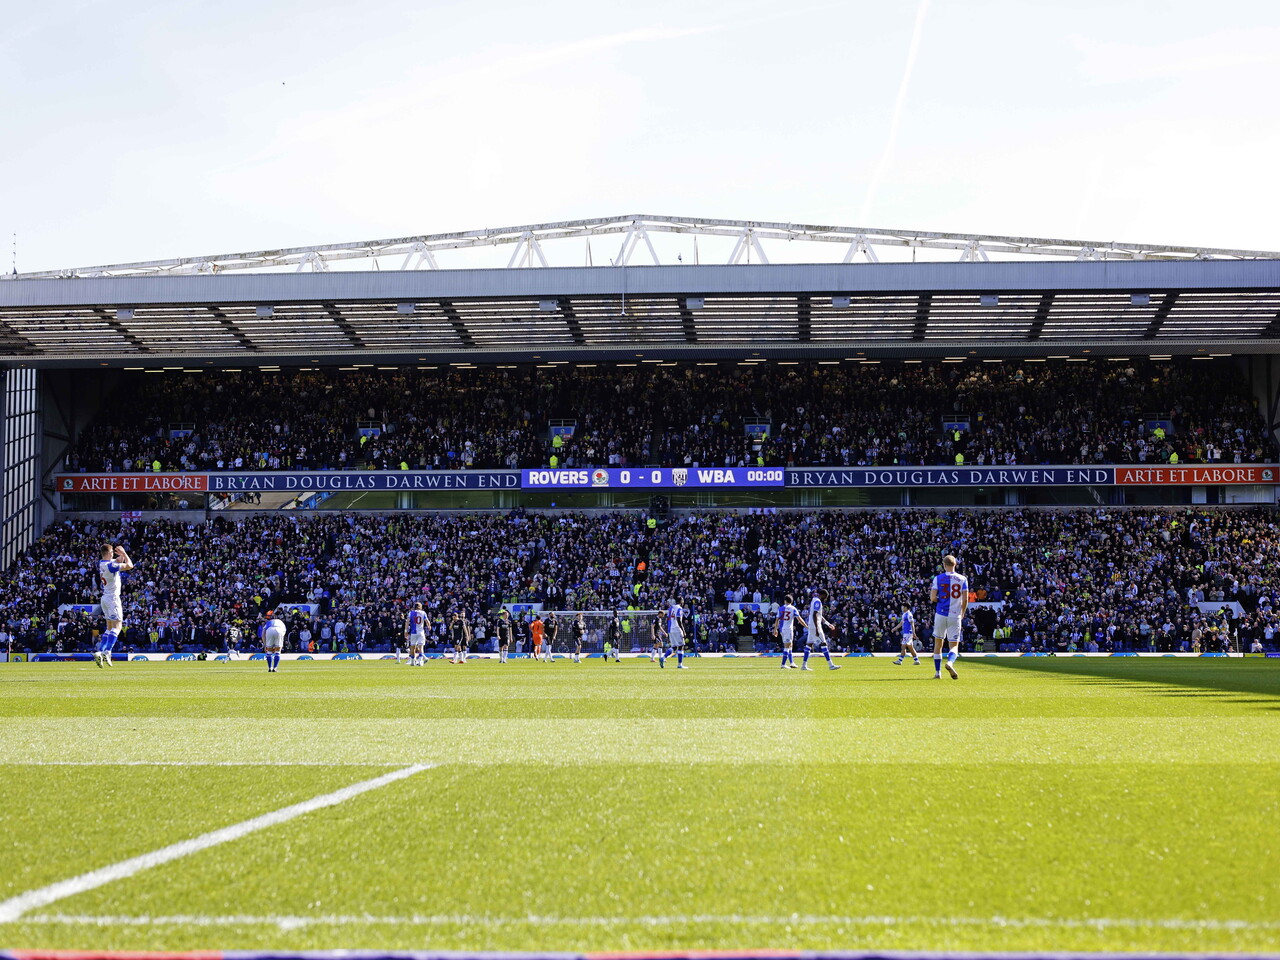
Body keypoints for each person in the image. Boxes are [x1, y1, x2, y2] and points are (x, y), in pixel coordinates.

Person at [94, 543, 134, 668]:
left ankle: (101, 651)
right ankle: (107, 651)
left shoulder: (103, 563)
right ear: (110, 552)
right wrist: (125, 553)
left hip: (105, 598)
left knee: (109, 627)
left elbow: (117, 561)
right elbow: (130, 566)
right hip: (113, 598)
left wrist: (120, 554)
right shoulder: (111, 566)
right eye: (112, 552)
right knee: (117, 626)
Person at [931, 554, 969, 679]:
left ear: (944, 565)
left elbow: (932, 598)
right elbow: (965, 599)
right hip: (955, 614)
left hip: (941, 614)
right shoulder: (963, 579)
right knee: (954, 645)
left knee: (938, 644)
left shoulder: (938, 578)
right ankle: (950, 662)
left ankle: (938, 673)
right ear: (955, 565)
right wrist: (962, 612)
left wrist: (942, 599)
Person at [802, 588, 840, 671]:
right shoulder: (818, 602)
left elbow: (818, 615)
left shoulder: (814, 600)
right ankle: (831, 665)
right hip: (815, 626)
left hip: (811, 625)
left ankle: (804, 665)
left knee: (809, 645)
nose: (825, 598)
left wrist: (828, 624)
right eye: (825, 597)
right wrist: (816, 629)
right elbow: (815, 615)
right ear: (822, 595)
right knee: (823, 644)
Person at [773, 594, 799, 669]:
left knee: (790, 645)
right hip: (788, 629)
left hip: (782, 629)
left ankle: (791, 662)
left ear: (785, 601)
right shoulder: (793, 608)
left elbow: (777, 619)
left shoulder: (780, 608)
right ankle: (783, 664)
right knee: (787, 646)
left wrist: (775, 630)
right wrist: (806, 626)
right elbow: (799, 619)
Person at [660, 598, 687, 669]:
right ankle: (680, 664)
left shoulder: (671, 608)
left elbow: (668, 619)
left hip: (670, 629)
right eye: (683, 601)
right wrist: (683, 630)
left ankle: (663, 657)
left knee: (674, 647)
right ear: (681, 601)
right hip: (677, 629)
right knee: (681, 646)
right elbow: (679, 620)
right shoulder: (679, 609)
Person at [405, 601, 428, 667]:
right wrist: (429, 626)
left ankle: (412, 661)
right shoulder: (423, 613)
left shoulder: (411, 613)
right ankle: (420, 661)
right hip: (421, 632)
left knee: (412, 647)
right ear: (420, 607)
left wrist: (406, 631)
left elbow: (407, 622)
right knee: (421, 647)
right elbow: (427, 621)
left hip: (413, 632)